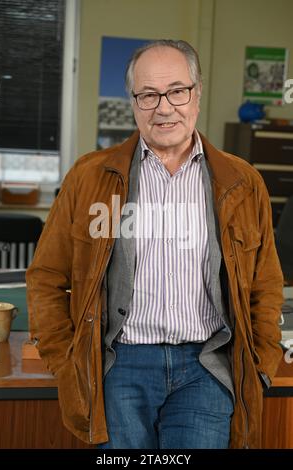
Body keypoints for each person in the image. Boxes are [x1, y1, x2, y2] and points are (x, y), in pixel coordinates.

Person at [26, 39, 284, 449]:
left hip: (206, 366)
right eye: (148, 94)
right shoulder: (91, 178)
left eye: (176, 90)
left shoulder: (241, 182)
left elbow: (265, 284)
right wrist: (66, 362)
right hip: (120, 366)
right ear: (133, 101)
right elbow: (46, 277)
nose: (164, 107)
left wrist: (261, 363)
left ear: (196, 94)